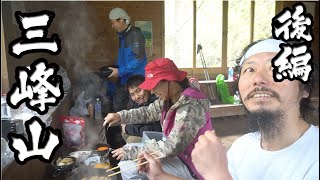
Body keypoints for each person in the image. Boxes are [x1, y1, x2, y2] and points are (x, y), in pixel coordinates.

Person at [137, 38, 319, 180]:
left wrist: (217, 174)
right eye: (250, 70)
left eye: (275, 68)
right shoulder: (242, 147)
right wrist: (159, 175)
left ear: (305, 88)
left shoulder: (314, 156)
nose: (258, 79)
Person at [103, 58, 213, 180]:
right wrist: (120, 116)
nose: (152, 91)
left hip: (195, 166)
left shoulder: (190, 106)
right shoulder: (170, 99)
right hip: (182, 156)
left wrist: (133, 152)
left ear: (170, 81)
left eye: (154, 85)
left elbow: (173, 147)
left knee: (127, 165)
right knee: (130, 155)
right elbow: (148, 112)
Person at [108, 7, 147, 112]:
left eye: (113, 23)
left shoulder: (135, 34)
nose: (112, 26)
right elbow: (125, 59)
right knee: (118, 107)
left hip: (136, 81)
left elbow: (138, 59)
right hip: (124, 78)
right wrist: (115, 68)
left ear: (121, 20)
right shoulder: (123, 36)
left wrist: (120, 71)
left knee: (133, 110)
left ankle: (128, 128)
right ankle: (122, 128)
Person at [121, 75, 162, 143]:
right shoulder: (136, 104)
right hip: (147, 135)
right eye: (132, 94)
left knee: (132, 140)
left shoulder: (157, 101)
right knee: (125, 133)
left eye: (139, 90)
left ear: (147, 87)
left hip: (161, 139)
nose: (137, 97)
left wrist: (128, 128)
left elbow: (155, 129)